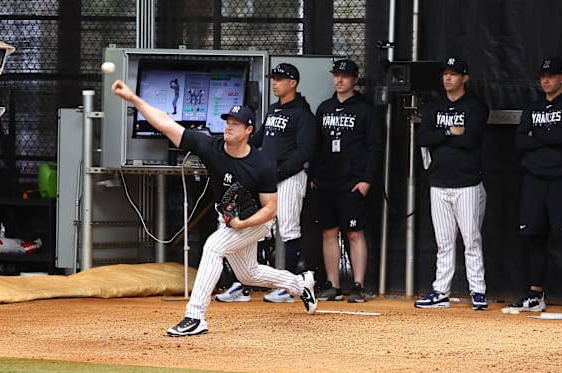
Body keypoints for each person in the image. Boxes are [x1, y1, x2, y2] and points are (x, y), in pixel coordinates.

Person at [110, 80, 317, 336]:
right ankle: (299, 283)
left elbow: (270, 209)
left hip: (256, 222)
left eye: (235, 123)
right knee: (248, 274)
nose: (228, 127)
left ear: (249, 130)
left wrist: (244, 224)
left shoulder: (262, 164)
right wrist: (133, 98)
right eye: (227, 122)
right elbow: (165, 123)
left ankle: (195, 315)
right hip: (231, 219)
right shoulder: (211, 147)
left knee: (213, 247)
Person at [216, 63, 318, 303]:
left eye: (280, 79)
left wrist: (277, 173)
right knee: (257, 229)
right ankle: (244, 283)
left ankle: (290, 286)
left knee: (289, 229)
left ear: (292, 83)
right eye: (273, 78)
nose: (274, 82)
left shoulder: (303, 114)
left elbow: (304, 152)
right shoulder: (273, 110)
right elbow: (257, 139)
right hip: (267, 179)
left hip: (290, 178)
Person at [509, 57, 562, 313]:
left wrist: (537, 135)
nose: (546, 80)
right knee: (534, 235)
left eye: (551, 76)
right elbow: (520, 140)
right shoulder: (532, 107)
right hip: (534, 178)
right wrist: (545, 138)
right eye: (543, 76)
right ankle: (535, 294)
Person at [413, 56, 489, 310]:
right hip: (439, 182)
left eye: (454, 74)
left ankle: (477, 290)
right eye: (445, 73)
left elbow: (469, 140)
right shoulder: (435, 105)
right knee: (444, 242)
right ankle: (441, 290)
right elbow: (422, 137)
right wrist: (448, 132)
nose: (448, 78)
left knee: (471, 239)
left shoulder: (475, 106)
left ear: (464, 78)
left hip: (467, 183)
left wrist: (441, 138)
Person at [310, 59, 383, 303]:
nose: (339, 80)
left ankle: (358, 285)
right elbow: (316, 145)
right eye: (336, 75)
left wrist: (367, 181)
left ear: (355, 80)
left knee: (354, 232)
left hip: (353, 183)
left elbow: (374, 147)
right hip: (326, 182)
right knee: (329, 232)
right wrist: (313, 176)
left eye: (344, 76)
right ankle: (333, 284)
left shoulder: (365, 110)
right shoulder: (324, 108)